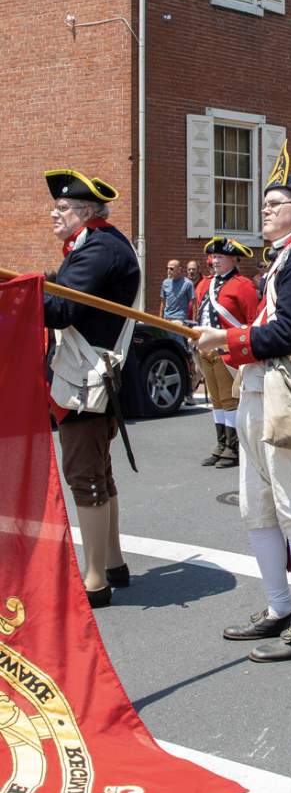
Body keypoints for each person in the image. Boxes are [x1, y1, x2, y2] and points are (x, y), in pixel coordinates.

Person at [197, 169, 291, 662]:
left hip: (288, 394)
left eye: (276, 202)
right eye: (266, 203)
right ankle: (280, 607)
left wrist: (227, 339)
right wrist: (227, 346)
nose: (266, 209)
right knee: (256, 506)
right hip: (261, 389)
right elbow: (267, 329)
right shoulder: (283, 260)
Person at [42, 169, 141, 608]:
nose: (53, 213)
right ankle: (113, 563)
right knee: (100, 474)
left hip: (85, 378)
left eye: (62, 208)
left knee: (85, 478)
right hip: (94, 374)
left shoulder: (98, 248)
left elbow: (62, 307)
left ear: (85, 211)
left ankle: (96, 579)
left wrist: (20, 291)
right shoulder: (102, 243)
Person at [194, 238, 259, 469]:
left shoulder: (243, 285)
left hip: (228, 349)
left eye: (221, 256)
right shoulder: (204, 284)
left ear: (234, 259)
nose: (215, 260)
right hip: (207, 350)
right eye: (214, 256)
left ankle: (234, 446)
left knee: (230, 399)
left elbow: (252, 322)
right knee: (216, 400)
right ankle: (221, 444)